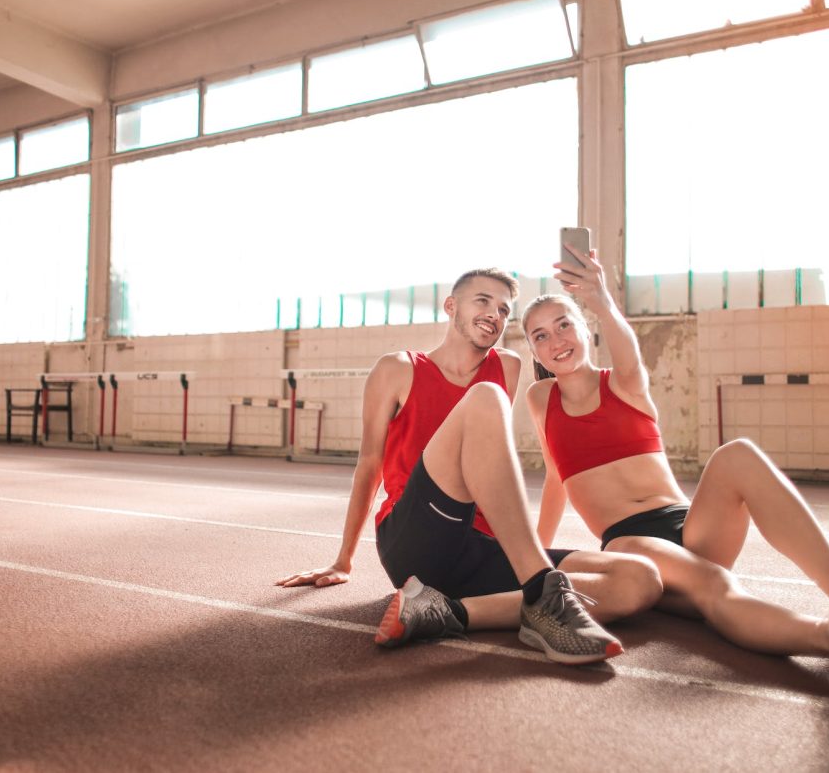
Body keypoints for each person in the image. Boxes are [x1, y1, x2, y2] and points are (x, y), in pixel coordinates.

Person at [520, 245, 829, 693]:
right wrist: (535, 557)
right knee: (716, 583)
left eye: (565, 325)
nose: (556, 340)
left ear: (587, 331)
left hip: (689, 523)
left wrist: (600, 298)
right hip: (630, 540)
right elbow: (559, 475)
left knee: (737, 453)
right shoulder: (540, 401)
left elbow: (629, 351)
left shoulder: (623, 383)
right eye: (540, 336)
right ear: (535, 352)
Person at [276, 268, 662, 664]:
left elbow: (487, 458)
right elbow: (370, 465)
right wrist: (344, 559)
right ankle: (542, 589)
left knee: (640, 579)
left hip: (477, 550)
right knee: (484, 399)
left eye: (503, 308)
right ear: (450, 306)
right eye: (483, 300)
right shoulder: (398, 368)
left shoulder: (508, 366)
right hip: (414, 540)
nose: (494, 313)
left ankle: (448, 613)